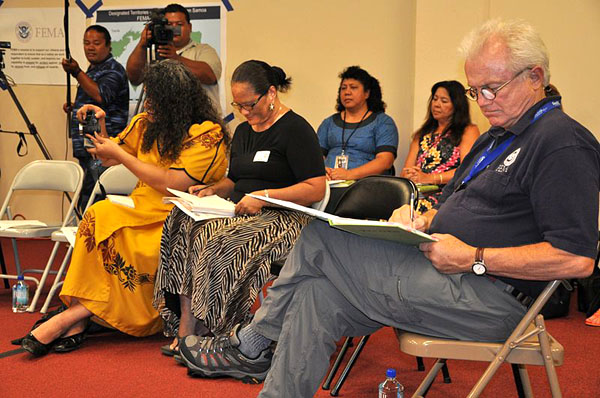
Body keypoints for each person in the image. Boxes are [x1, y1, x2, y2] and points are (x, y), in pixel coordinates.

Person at [176, 19, 600, 397]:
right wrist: (422, 218)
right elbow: (457, 206)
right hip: (440, 273)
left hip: (488, 299)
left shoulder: (560, 143)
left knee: (323, 234)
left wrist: (473, 258)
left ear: (536, 77)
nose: (483, 100)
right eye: (476, 90)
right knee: (313, 294)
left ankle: (251, 344)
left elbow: (576, 259)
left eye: (493, 88)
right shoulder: (496, 137)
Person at [20, 60, 228, 357]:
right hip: (141, 206)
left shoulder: (206, 133)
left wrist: (119, 153)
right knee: (96, 215)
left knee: (130, 242)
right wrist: (99, 124)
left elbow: (174, 182)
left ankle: (72, 317)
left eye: (157, 99)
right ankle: (80, 315)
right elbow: (106, 155)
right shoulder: (145, 123)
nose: (150, 104)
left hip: (179, 214)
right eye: (148, 96)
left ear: (177, 102)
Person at [152, 60, 326, 356]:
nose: (244, 112)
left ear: (271, 93)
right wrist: (211, 190)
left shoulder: (296, 129)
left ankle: (219, 328)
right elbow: (234, 179)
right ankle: (187, 324)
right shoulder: (245, 132)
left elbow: (316, 188)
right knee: (180, 222)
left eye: (250, 104)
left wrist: (265, 197)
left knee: (219, 240)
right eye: (238, 105)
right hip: (242, 211)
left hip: (284, 218)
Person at [62, 24, 129, 210]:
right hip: (88, 146)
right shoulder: (93, 70)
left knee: (99, 199)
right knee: (87, 197)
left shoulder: (114, 70)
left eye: (96, 43)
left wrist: (76, 72)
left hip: (104, 148)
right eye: (86, 43)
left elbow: (102, 96)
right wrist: (76, 107)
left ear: (108, 46)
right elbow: (96, 101)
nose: (90, 47)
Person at [126, 3, 222, 112]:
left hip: (200, 122)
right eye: (169, 24)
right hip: (164, 120)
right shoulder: (153, 52)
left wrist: (176, 58)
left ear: (189, 27)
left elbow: (210, 76)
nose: (174, 28)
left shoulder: (204, 50)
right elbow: (134, 78)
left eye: (179, 24)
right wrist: (142, 44)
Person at [401, 80, 480, 212]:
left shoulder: (468, 130)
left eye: (444, 101)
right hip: (417, 193)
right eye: (435, 99)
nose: (436, 105)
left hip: (447, 196)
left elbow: (467, 170)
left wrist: (430, 178)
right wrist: (411, 175)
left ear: (457, 105)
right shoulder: (422, 134)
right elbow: (406, 170)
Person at [317, 66, 398, 181]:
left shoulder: (383, 122)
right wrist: (324, 172)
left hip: (366, 186)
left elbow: (385, 161)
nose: (347, 92)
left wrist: (349, 174)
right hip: (329, 184)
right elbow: (316, 158)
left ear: (367, 93)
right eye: (343, 88)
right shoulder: (328, 123)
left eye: (353, 88)